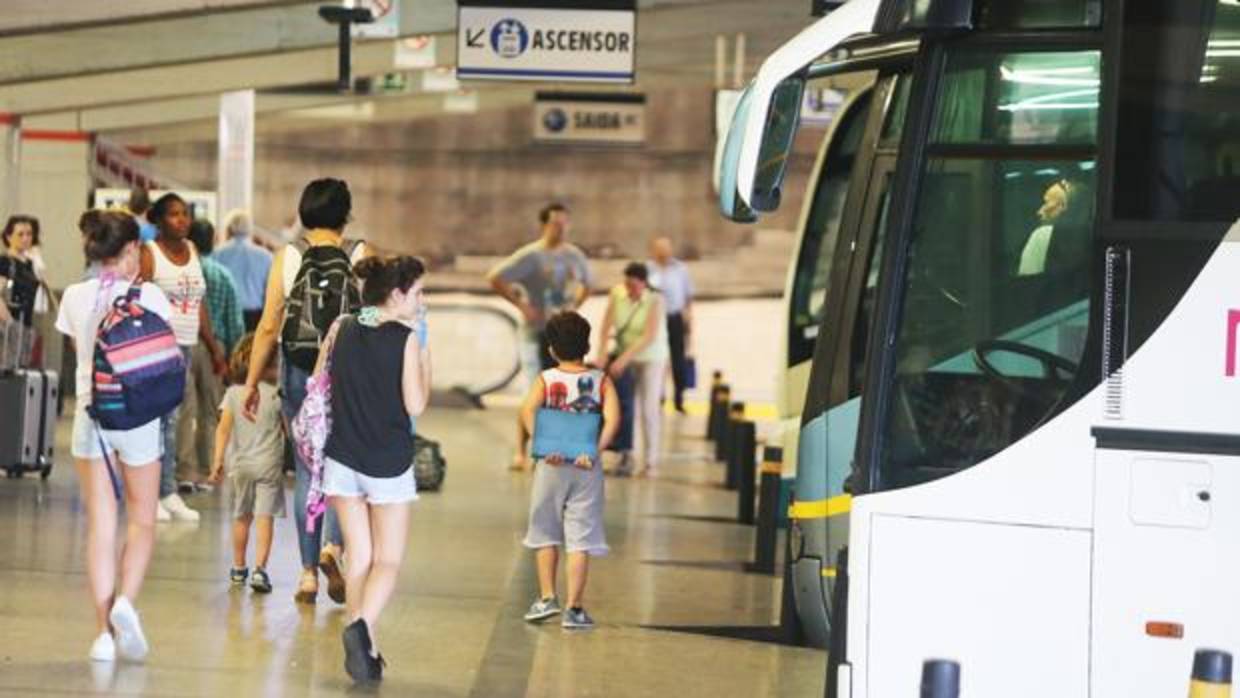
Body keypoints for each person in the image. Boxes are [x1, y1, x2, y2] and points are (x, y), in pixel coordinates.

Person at [243, 178, 369, 604]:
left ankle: (308, 575)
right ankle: (335, 548)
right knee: (341, 471)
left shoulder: (289, 256)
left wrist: (250, 384)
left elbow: (267, 327)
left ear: (304, 213)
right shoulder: (360, 256)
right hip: (348, 374)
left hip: (299, 373)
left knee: (308, 471)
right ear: (346, 215)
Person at [56, 210, 169, 663]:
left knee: (102, 526)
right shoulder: (153, 297)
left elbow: (80, 356)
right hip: (139, 419)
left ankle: (102, 635)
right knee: (142, 520)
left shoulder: (75, 297)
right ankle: (126, 602)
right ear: (128, 253)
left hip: (92, 419)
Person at [315, 255, 430, 682]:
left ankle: (368, 649)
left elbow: (318, 379)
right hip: (387, 463)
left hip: (342, 457)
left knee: (359, 555)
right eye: (417, 292)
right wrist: (425, 353)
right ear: (397, 294)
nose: (422, 301)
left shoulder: (342, 326)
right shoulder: (405, 338)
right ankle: (360, 627)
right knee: (388, 560)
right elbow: (416, 404)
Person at [520, 311, 619, 631]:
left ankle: (547, 597)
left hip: (551, 464)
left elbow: (527, 410)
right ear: (587, 346)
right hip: (585, 467)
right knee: (581, 536)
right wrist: (595, 450)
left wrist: (541, 444)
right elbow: (614, 419)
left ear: (551, 350)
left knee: (545, 529)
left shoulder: (546, 379)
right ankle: (574, 609)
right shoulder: (602, 380)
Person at [138, 193, 227, 522]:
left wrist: (214, 347)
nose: (182, 220)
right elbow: (140, 299)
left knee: (174, 422)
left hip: (187, 346)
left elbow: (199, 302)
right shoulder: (150, 254)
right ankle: (153, 493)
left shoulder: (191, 251)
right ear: (158, 220)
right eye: (174, 215)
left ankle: (168, 491)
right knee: (158, 421)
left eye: (185, 214)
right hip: (158, 347)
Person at [487, 202, 593, 471]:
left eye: (565, 223)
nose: (561, 228)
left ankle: (552, 447)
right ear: (545, 225)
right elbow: (496, 277)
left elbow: (589, 284)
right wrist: (522, 306)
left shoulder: (574, 256)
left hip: (562, 334)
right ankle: (522, 451)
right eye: (556, 223)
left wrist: (574, 307)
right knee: (533, 391)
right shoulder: (532, 255)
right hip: (536, 331)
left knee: (559, 392)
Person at [209, 333, 285, 595]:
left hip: (240, 466)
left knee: (241, 517)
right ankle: (259, 570)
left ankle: (238, 567)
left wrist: (218, 460)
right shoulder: (277, 395)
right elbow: (288, 430)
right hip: (270, 466)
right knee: (265, 517)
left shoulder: (232, 394)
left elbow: (222, 430)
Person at [177, 219, 245, 492]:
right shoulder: (222, 275)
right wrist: (230, 357)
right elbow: (234, 322)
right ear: (213, 239)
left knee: (184, 409)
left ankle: (183, 470)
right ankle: (208, 470)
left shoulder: (183, 272)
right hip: (214, 347)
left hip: (182, 340)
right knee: (211, 411)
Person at [595, 262, 668, 477]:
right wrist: (602, 352)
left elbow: (649, 336)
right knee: (626, 408)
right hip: (624, 355)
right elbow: (606, 325)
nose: (630, 290)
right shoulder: (617, 294)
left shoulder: (655, 300)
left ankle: (651, 461)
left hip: (651, 358)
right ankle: (627, 455)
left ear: (644, 283)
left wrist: (623, 359)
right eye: (627, 284)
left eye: (634, 286)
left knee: (648, 408)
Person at [647, 237, 695, 413]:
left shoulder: (681, 269)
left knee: (678, 360)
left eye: (665, 248)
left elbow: (688, 297)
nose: (662, 252)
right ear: (653, 251)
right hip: (655, 320)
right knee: (656, 359)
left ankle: (679, 399)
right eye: (659, 249)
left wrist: (689, 320)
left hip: (675, 318)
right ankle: (658, 397)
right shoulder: (648, 269)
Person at [214, 209, 273, 331]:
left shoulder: (217, 254)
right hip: (256, 315)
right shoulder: (266, 256)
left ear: (228, 229)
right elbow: (270, 291)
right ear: (250, 229)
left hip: (226, 315)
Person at [0, 215, 46, 368]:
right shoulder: (5, 262)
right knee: (8, 369)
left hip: (27, 323)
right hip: (10, 323)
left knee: (22, 369)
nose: (25, 238)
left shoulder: (31, 264)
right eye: (20, 234)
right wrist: (10, 324)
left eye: (29, 234)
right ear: (8, 236)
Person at [1018, 178, 1078, 276]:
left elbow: (1027, 282)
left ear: (1063, 206)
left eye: (1046, 202)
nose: (1039, 212)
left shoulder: (1041, 235)